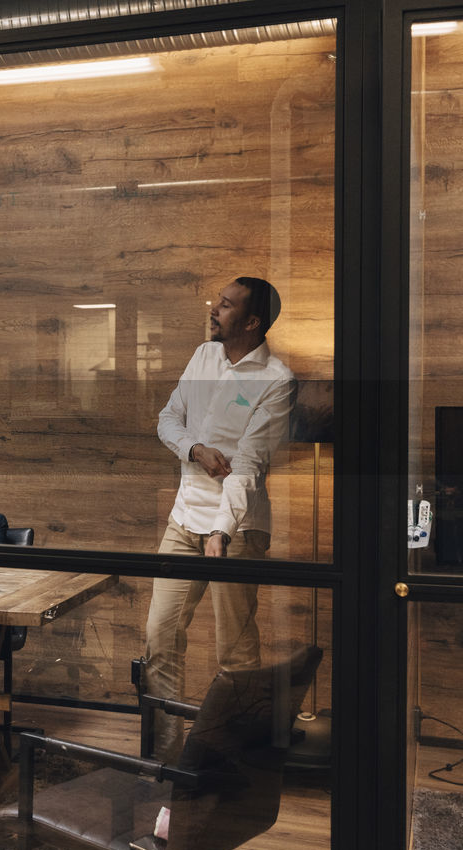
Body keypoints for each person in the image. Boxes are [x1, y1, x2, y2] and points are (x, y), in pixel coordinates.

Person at [145, 276, 295, 760]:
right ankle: (168, 760)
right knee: (159, 640)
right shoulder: (203, 356)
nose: (215, 310)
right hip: (183, 521)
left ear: (251, 322)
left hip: (238, 531)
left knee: (235, 652)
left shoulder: (277, 380)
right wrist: (196, 448)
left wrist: (220, 530)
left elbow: (250, 464)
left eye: (225, 306)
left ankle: (234, 759)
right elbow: (169, 418)